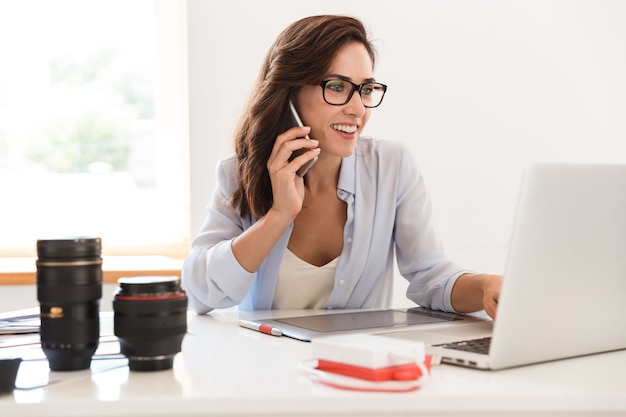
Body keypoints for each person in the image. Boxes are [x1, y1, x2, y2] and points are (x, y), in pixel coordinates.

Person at [182, 15, 502, 318]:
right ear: (290, 91)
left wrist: (486, 286)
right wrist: (278, 216)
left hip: (357, 369)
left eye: (365, 89)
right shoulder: (239, 172)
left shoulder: (391, 167)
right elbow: (200, 293)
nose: (358, 109)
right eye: (337, 87)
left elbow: (431, 276)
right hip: (267, 369)